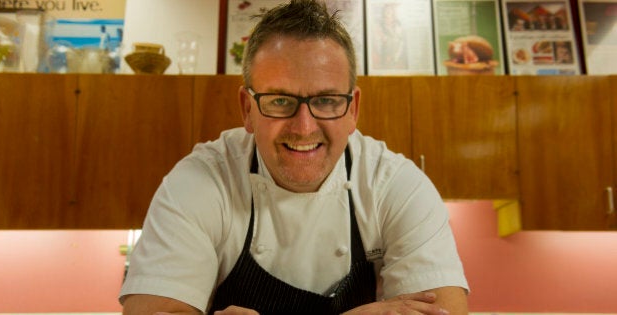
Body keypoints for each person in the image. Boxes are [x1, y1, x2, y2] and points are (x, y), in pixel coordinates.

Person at [120, 1, 469, 314]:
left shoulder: (394, 184)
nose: (304, 128)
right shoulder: (201, 180)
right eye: (280, 101)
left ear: (353, 110)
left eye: (327, 100)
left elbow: (444, 310)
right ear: (247, 110)